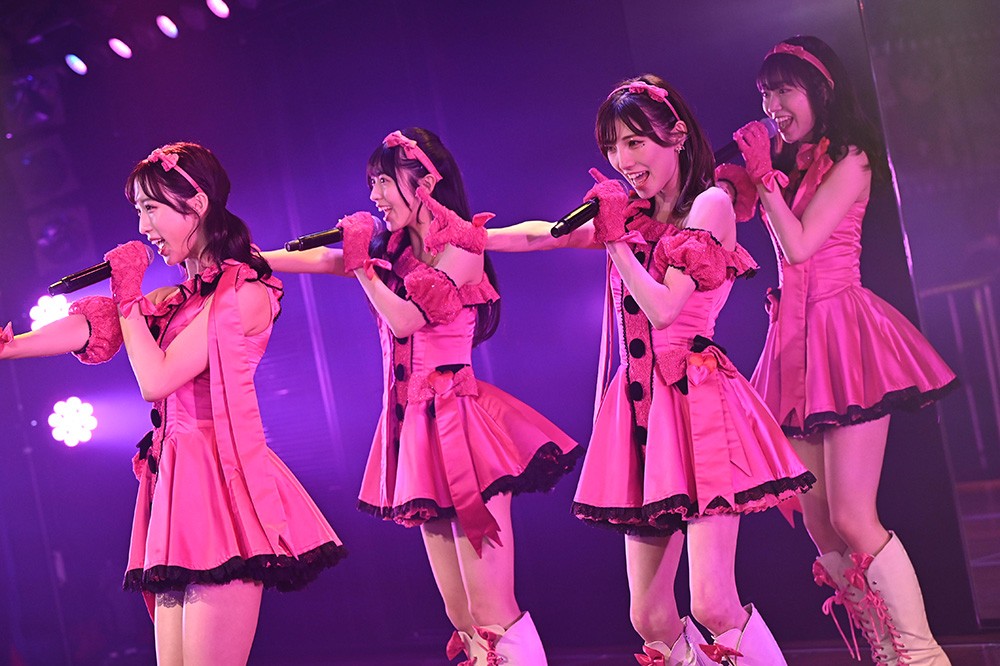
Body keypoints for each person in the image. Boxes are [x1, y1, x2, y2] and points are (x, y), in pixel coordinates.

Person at [488, 76, 815, 665]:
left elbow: (664, 309)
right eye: (613, 146)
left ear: (678, 137)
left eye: (636, 142)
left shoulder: (710, 204)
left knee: (714, 605)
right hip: (642, 407)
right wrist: (469, 236)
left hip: (697, 400)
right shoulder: (634, 215)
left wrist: (616, 239)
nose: (622, 159)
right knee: (649, 616)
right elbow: (544, 235)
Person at [0, 142, 346, 665]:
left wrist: (129, 298)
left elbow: (156, 379)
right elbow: (95, 325)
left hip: (221, 482)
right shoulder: (181, 297)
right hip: (175, 483)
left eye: (150, 208)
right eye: (138, 211)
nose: (143, 227)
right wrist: (12, 347)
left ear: (197, 204)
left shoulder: (244, 295)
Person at [262, 128, 582, 665]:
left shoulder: (461, 248)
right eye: (371, 184)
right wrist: (250, 258)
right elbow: (324, 261)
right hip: (417, 428)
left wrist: (363, 269)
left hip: (463, 425)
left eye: (384, 182)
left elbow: (407, 319)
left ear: (426, 182)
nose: (374, 196)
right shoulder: (392, 251)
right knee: (462, 616)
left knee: (491, 610)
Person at [734, 36, 958, 665]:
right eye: (766, 94)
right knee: (818, 520)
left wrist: (763, 180)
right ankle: (884, 649)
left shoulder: (851, 158)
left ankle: (920, 655)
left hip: (844, 335)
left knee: (854, 515)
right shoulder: (792, 166)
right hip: (794, 343)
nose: (773, 106)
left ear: (821, 91)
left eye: (785, 90)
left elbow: (802, 245)